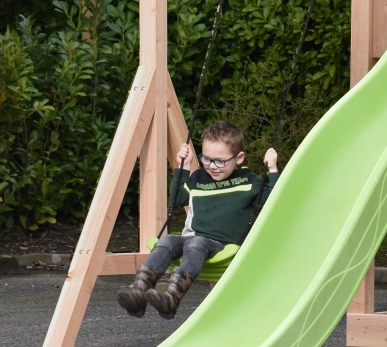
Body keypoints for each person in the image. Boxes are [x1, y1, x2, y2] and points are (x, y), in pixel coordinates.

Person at [117, 121, 279, 319]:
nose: (212, 166)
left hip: (223, 246)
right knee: (167, 240)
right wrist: (183, 166)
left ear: (239, 158)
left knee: (197, 242)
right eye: (207, 159)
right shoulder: (199, 178)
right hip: (193, 238)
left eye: (220, 161)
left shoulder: (248, 181)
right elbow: (178, 198)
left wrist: (272, 169)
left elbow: (275, 200)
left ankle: (171, 300)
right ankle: (139, 294)